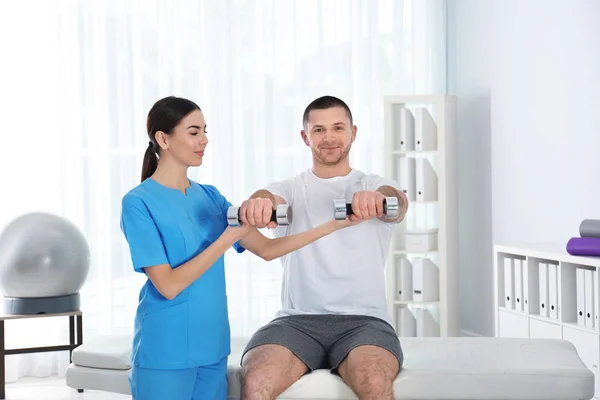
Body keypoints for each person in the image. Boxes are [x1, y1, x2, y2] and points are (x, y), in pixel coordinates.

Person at [119, 96, 354, 400]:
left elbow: (267, 250)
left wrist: (333, 226)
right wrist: (229, 237)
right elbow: (167, 284)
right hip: (165, 349)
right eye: (193, 132)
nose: (204, 140)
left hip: (212, 346)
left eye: (205, 130)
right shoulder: (138, 202)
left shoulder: (210, 196)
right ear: (163, 139)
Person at [238, 95, 410, 400]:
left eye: (338, 128)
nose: (329, 137)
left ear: (353, 133)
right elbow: (267, 196)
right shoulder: (291, 188)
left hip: (365, 321)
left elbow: (397, 202)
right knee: (256, 379)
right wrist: (260, 203)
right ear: (306, 137)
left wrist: (377, 199)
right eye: (318, 130)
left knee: (374, 382)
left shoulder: (372, 183)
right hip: (295, 320)